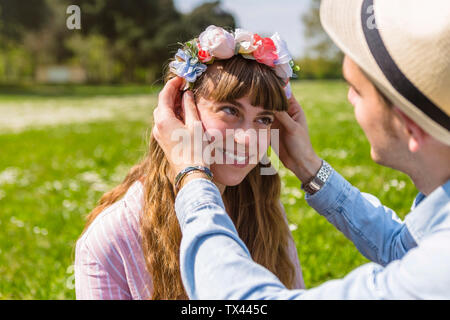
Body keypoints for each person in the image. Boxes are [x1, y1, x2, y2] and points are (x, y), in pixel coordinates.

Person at [153, 0, 450, 299]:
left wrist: (192, 176)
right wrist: (309, 167)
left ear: (410, 127)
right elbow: (401, 248)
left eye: (357, 90)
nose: (349, 98)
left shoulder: (434, 273)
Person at [74, 26, 305, 300]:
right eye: (230, 111)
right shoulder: (113, 236)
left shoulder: (264, 205)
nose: (248, 140)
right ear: (180, 111)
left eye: (264, 119)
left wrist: (310, 168)